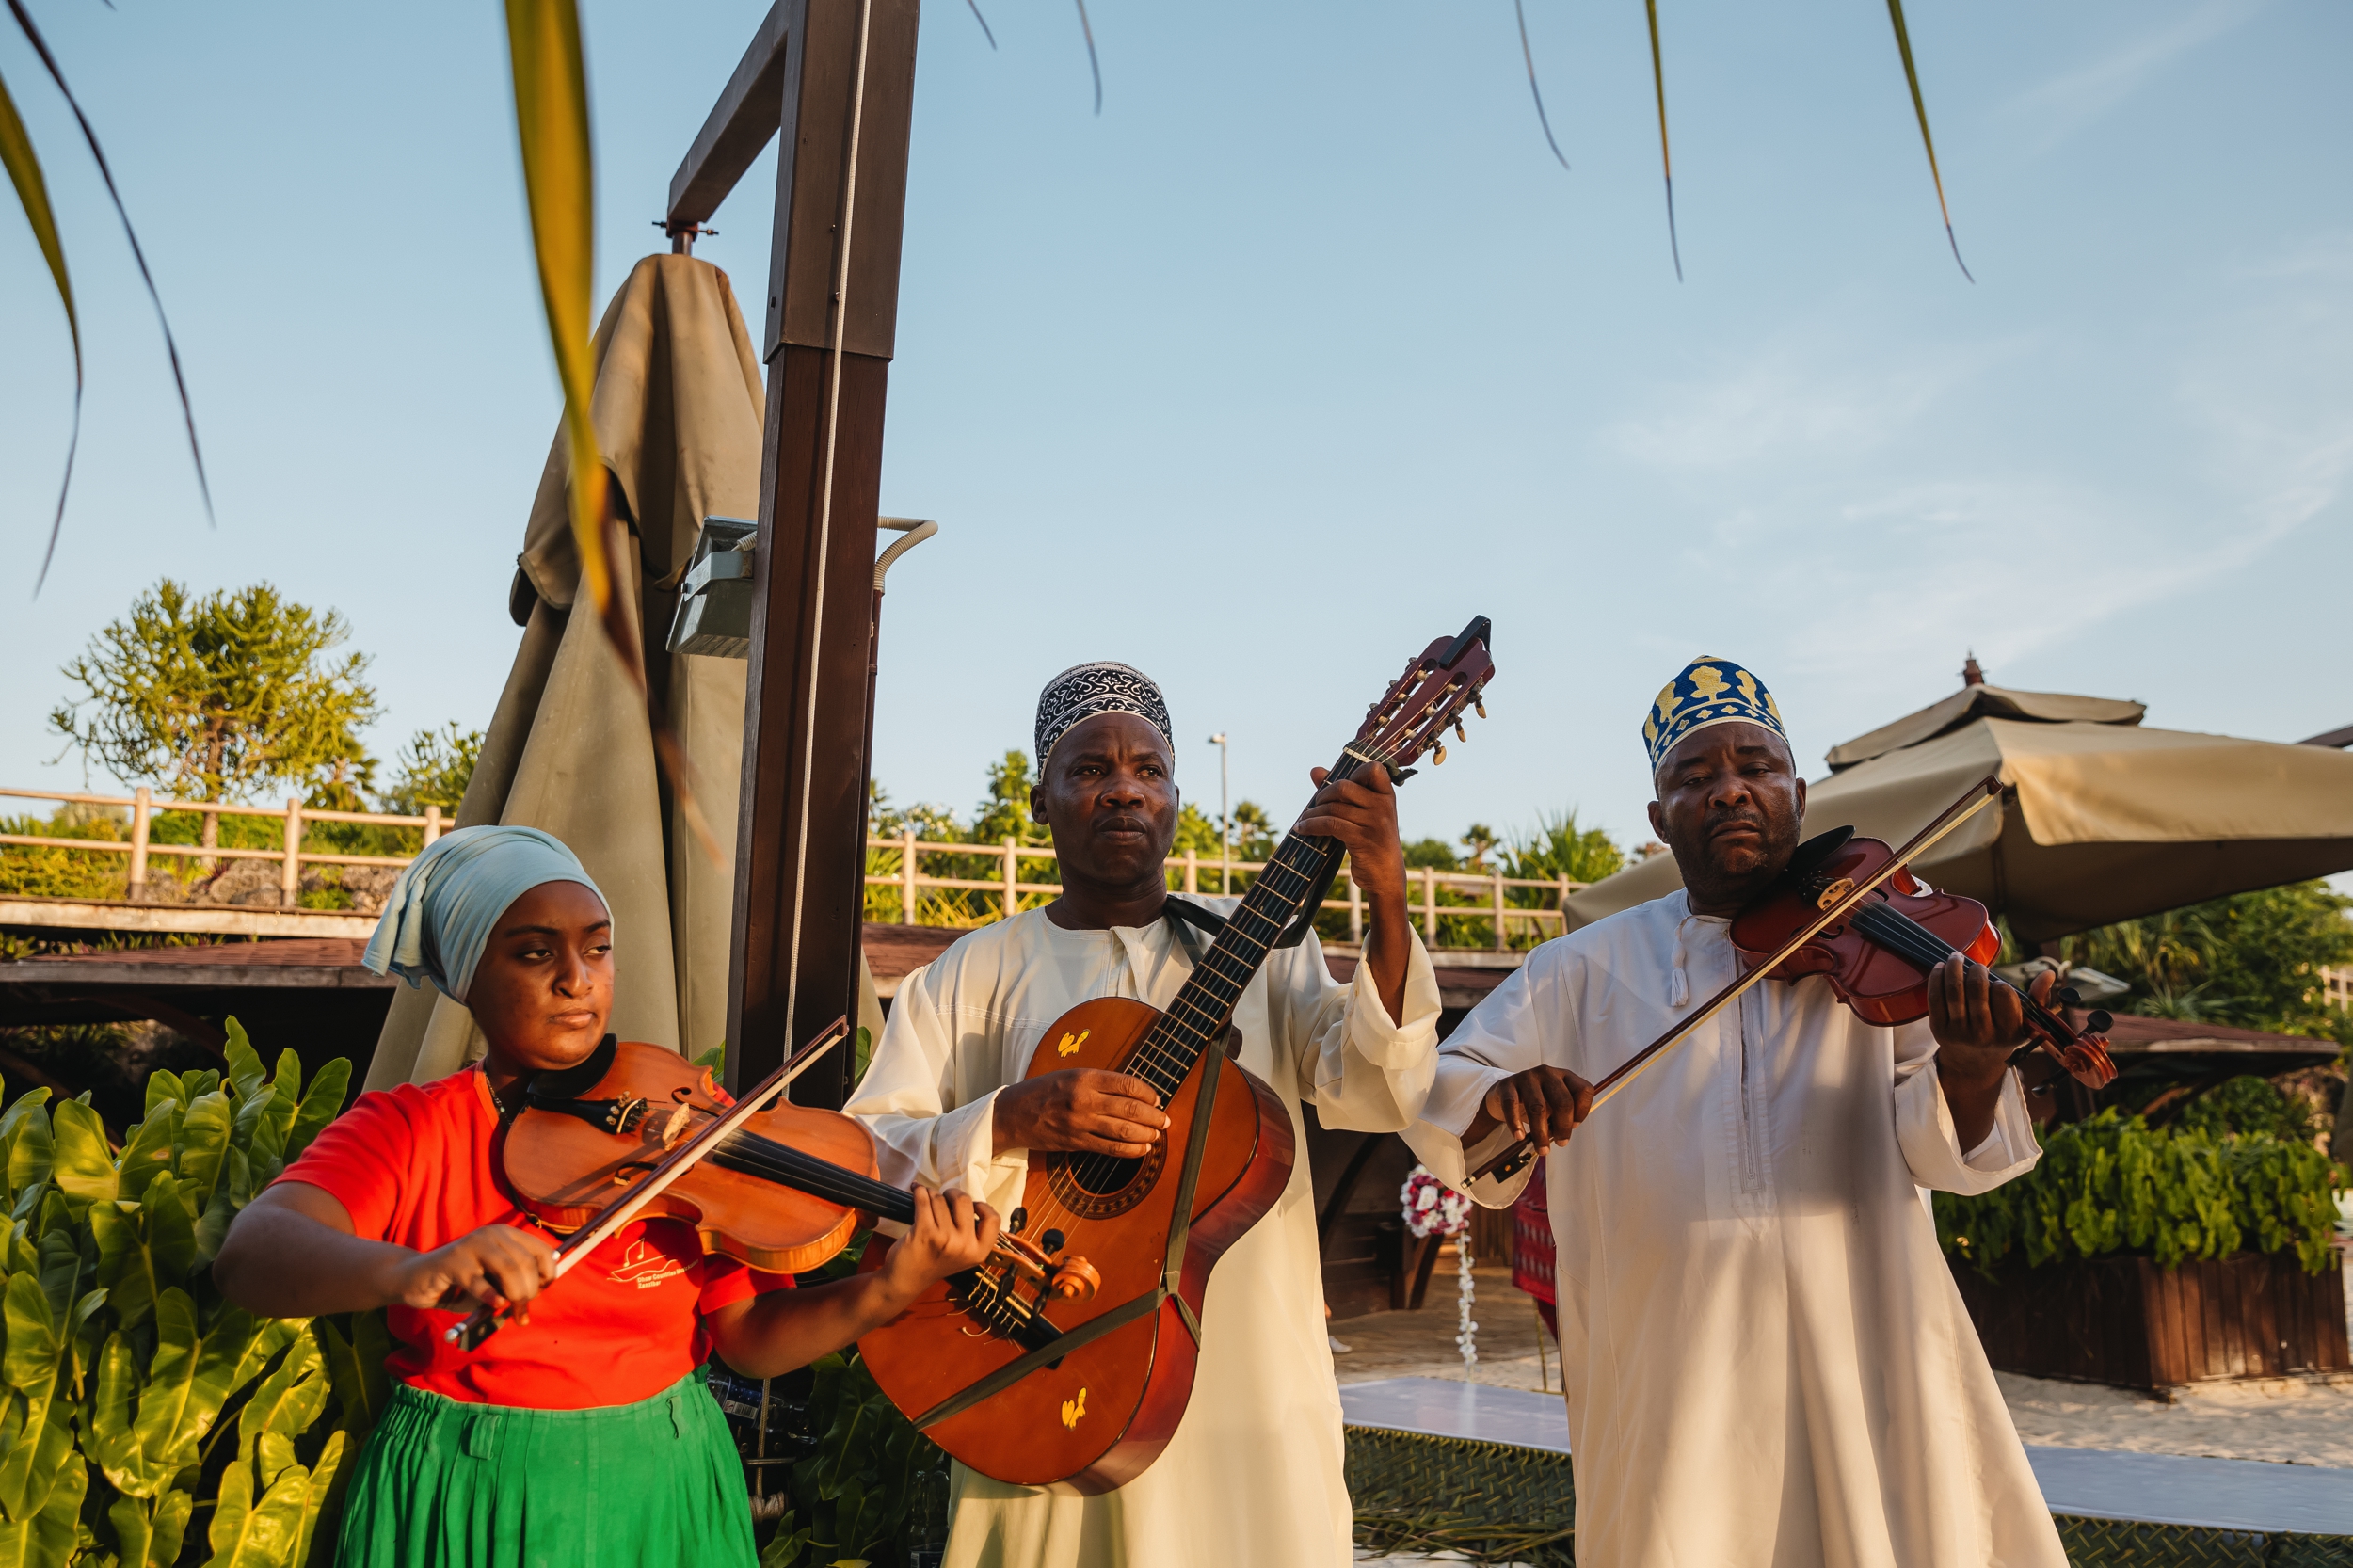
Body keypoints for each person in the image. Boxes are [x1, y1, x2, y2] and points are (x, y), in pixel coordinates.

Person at [1404, 656, 2068, 1568]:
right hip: (1670, 1364)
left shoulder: (1881, 958)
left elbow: (1946, 1149)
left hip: (1864, 1339)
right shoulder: (1577, 970)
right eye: (1695, 777)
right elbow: (1442, 1089)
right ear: (1656, 817)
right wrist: (1497, 1097)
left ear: (1796, 791)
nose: (1729, 792)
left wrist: (1969, 1064)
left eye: (1754, 768)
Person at [214, 825, 999, 1568]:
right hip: (471, 1486)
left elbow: (750, 1339)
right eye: (534, 953)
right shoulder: (413, 1127)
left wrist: (890, 1287)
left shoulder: (682, 1124)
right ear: (470, 974)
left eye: (597, 948)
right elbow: (253, 1252)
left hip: (663, 1483)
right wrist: (412, 1270)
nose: (577, 980)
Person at [845, 662, 1443, 1567]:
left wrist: (1388, 900)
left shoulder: (1272, 952)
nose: (1123, 789)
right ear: (1039, 800)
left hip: (1249, 1386)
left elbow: (1378, 1087)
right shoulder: (966, 977)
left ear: (1174, 799)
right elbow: (865, 1157)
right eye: (1089, 770)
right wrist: (1009, 1119)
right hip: (1041, 1370)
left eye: (1148, 770)